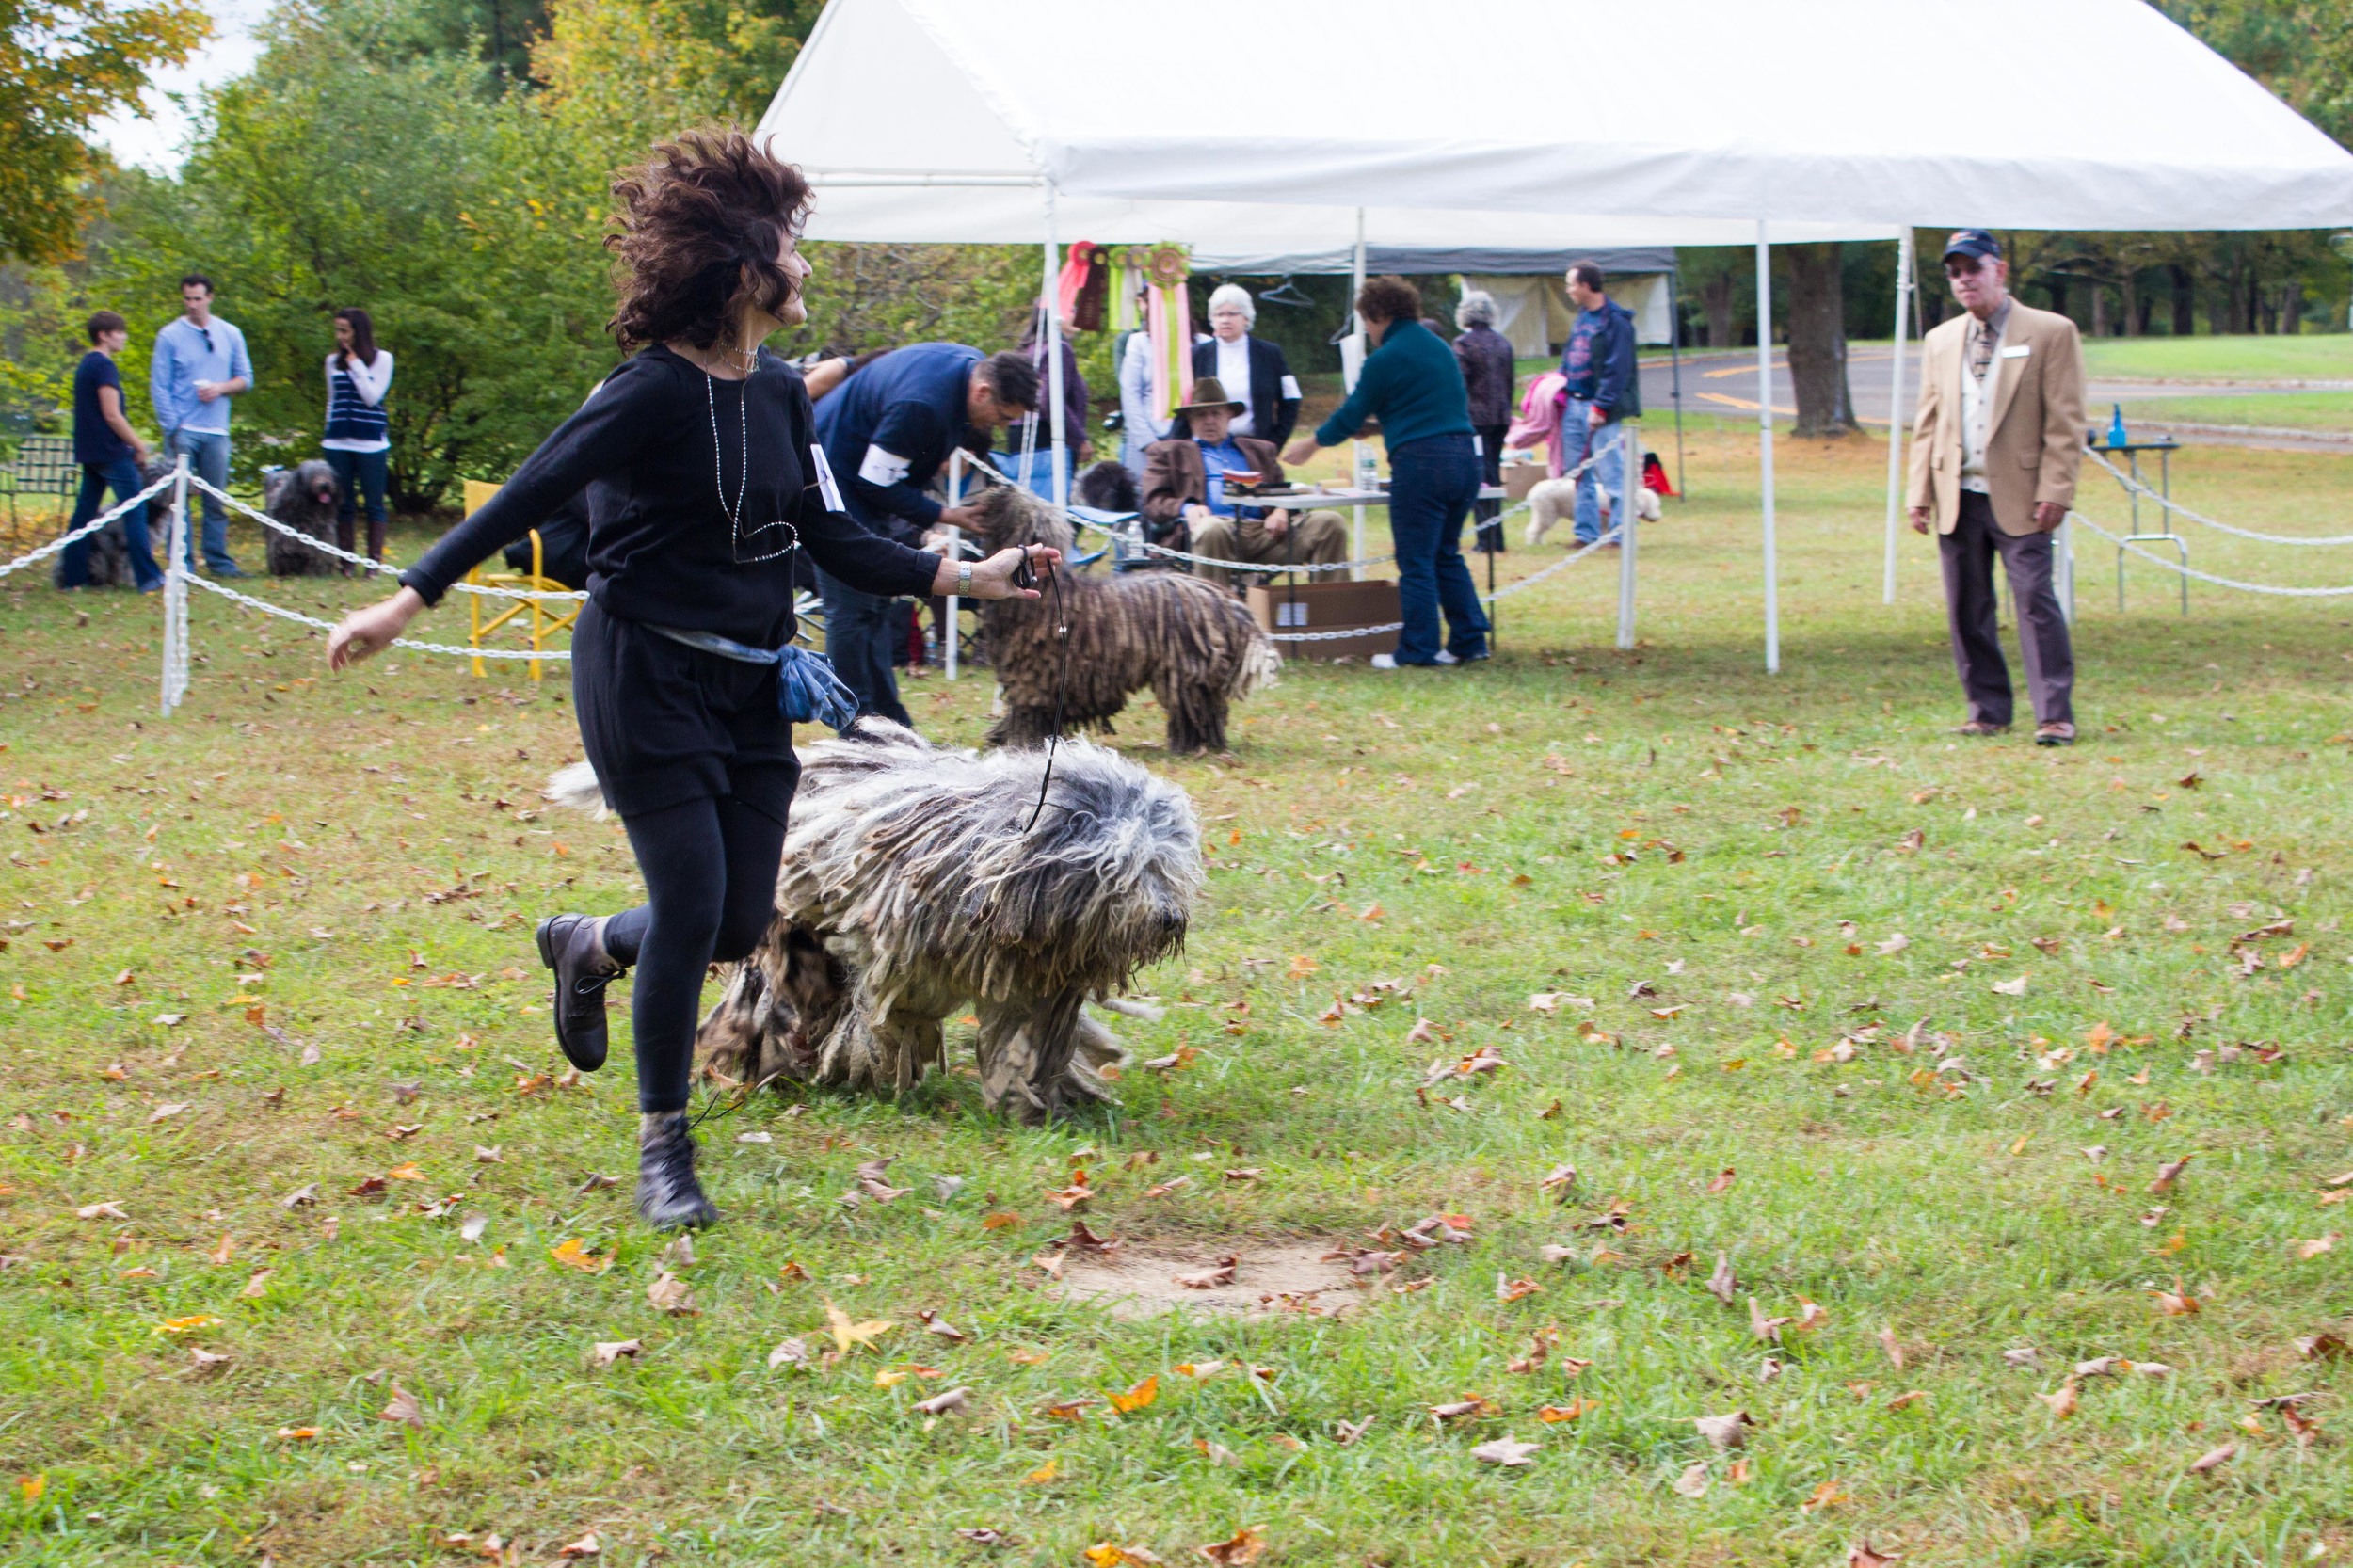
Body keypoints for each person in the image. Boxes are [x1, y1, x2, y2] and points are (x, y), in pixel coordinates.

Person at [323, 130, 1055, 1230]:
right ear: (743, 272)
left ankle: (584, 942)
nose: (806, 272)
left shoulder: (780, 397)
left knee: (733, 920)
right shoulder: (648, 391)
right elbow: (525, 494)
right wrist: (406, 596)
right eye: (793, 255)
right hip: (643, 675)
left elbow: (835, 535)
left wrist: (967, 575)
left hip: (753, 684)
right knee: (685, 907)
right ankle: (664, 1145)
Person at [1907, 229, 2085, 746]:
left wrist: (2057, 488)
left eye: (1973, 270)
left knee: (2034, 600)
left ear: (1999, 272)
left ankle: (2054, 715)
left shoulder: (2051, 332)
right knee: (1967, 605)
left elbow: (2066, 422)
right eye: (1955, 273)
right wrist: (1918, 493)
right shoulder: (1940, 340)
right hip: (1956, 495)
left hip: (2023, 495)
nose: (1965, 281)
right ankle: (1986, 710)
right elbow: (1928, 421)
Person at [810, 344, 1036, 725]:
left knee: (878, 605)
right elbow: (874, 483)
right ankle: (855, 725)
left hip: (857, 484)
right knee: (851, 611)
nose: (995, 427)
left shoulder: (967, 364)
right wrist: (947, 514)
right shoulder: (923, 406)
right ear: (983, 392)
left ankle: (891, 721)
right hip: (833, 483)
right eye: (999, 416)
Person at [1282, 276, 1488, 669]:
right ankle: (1469, 641)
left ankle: (1418, 649)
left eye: (1368, 323)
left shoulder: (1385, 358)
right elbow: (1428, 408)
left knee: (1416, 559)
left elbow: (1351, 413)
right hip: (1464, 458)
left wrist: (1311, 444)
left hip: (1422, 464)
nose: (1370, 332)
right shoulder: (1439, 348)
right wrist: (1381, 427)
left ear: (1379, 315)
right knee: (1446, 554)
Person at [1142, 376, 1346, 591]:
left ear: (1229, 416)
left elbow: (1282, 490)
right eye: (1201, 415)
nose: (1209, 420)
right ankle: (1216, 619)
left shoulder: (1260, 450)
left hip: (1266, 534)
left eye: (1216, 413)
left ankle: (1331, 614)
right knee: (1211, 528)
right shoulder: (1168, 453)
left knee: (1330, 522)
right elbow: (1153, 502)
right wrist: (1188, 508)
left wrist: (1281, 511)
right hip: (1213, 531)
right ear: (1190, 420)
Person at [150, 273, 253, 576]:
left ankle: (220, 562)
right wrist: (173, 427)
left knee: (216, 501)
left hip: (217, 430)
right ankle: (182, 564)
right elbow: (159, 386)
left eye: (198, 298)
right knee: (178, 502)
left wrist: (220, 388)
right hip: (184, 429)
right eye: (187, 299)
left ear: (210, 297)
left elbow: (245, 379)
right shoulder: (169, 336)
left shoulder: (230, 333)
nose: (192, 305)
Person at [56, 311, 164, 592]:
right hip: (111, 453)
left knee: (84, 515)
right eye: (120, 331)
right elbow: (112, 415)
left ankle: (72, 575)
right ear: (104, 335)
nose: (124, 336)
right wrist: (138, 446)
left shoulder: (86, 364)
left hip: (90, 453)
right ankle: (148, 577)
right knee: (135, 512)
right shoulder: (104, 367)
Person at [1557, 263, 1641, 547]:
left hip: (1598, 408)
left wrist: (1601, 407)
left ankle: (1620, 533)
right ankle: (1586, 533)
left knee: (1612, 472)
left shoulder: (1615, 321)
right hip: (1574, 403)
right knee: (1580, 473)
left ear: (1585, 285)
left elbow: (1618, 369)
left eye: (1571, 284)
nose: (1568, 290)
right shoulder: (1582, 317)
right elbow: (1572, 354)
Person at [321, 307, 393, 566]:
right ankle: (346, 563)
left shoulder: (383, 359)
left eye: (345, 331)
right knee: (343, 503)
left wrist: (356, 366)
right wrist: (328, 431)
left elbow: (373, 396)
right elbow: (333, 400)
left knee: (374, 503)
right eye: (337, 331)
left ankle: (373, 563)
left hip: (371, 443)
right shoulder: (332, 362)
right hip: (337, 441)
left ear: (358, 332)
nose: (340, 337)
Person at [1191, 283, 1302, 448]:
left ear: (1246, 317)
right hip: (1209, 449)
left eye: (1232, 314)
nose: (1225, 320)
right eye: (1219, 314)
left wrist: (1275, 443)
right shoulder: (1198, 354)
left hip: (1255, 446)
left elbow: (1291, 399)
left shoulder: (1270, 353)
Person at [1452, 289, 1515, 553]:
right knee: (1494, 475)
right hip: (1500, 417)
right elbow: (1509, 382)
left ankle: (1485, 539)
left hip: (1474, 421)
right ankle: (1496, 537)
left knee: (1479, 477)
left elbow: (1458, 384)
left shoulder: (1463, 345)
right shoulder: (1503, 343)